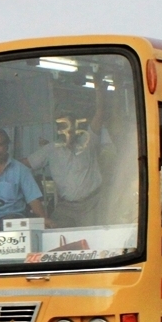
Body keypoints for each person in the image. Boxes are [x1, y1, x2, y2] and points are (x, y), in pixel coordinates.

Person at [24, 78, 105, 228]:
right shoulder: (51, 149)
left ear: (76, 128)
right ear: (58, 129)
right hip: (66, 207)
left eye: (70, 126)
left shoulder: (89, 141)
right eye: (63, 126)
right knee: (52, 230)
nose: (67, 130)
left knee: (94, 237)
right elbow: (23, 165)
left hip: (92, 204)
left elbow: (99, 115)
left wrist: (99, 90)